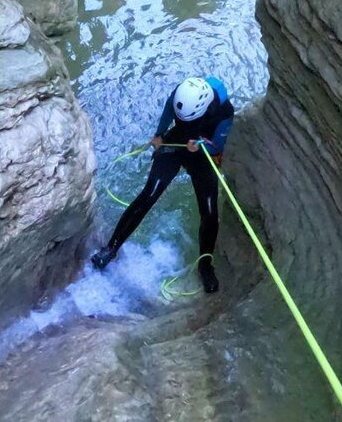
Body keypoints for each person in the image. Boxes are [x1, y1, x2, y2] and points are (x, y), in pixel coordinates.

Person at [90, 76, 235, 293]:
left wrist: (203, 145)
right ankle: (111, 248)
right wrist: (159, 134)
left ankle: (205, 265)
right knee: (149, 194)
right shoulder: (182, 93)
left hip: (201, 151)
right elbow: (169, 108)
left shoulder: (224, 111)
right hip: (176, 142)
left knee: (209, 211)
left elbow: (218, 144)